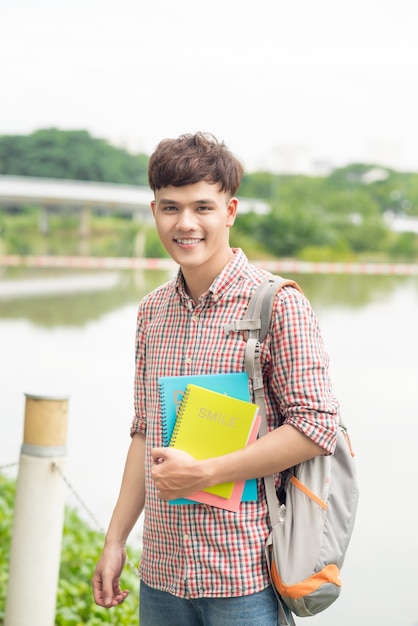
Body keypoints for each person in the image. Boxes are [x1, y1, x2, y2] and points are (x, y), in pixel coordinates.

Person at [92, 132, 339, 625]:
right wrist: (116, 538)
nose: (185, 224)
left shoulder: (277, 304)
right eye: (170, 208)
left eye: (202, 207)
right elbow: (144, 431)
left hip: (244, 576)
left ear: (229, 211)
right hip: (161, 575)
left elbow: (317, 427)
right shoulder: (151, 313)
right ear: (154, 210)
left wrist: (206, 473)